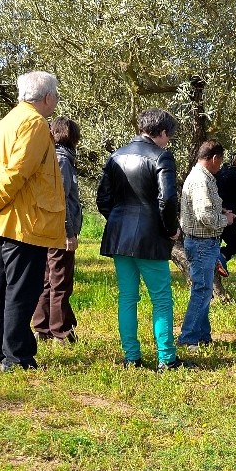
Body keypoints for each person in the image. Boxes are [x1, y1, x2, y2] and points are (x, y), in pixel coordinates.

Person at [0, 71, 65, 372]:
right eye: (56, 96)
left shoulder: (7, 121)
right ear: (47, 97)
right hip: (24, 222)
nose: (57, 101)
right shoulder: (35, 123)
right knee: (21, 292)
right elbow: (18, 172)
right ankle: (17, 358)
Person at [97, 108, 191, 370]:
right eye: (168, 136)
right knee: (161, 298)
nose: (168, 141)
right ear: (161, 133)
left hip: (119, 236)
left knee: (127, 297)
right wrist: (171, 229)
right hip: (150, 238)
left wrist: (118, 220)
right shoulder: (162, 157)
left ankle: (131, 357)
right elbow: (168, 199)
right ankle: (166, 358)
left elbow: (102, 199)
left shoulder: (115, 155)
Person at [177, 140, 235, 350]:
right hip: (202, 242)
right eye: (220, 161)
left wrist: (221, 212)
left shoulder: (199, 176)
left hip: (201, 242)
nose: (220, 166)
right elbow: (203, 215)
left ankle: (202, 335)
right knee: (201, 290)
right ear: (214, 158)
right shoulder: (202, 180)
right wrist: (225, 221)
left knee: (203, 288)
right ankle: (188, 337)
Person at [32, 116, 83, 344]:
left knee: (47, 280)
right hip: (58, 232)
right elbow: (59, 199)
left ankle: (42, 328)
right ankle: (60, 332)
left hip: (47, 229)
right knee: (60, 281)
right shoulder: (62, 159)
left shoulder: (53, 156)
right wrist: (68, 233)